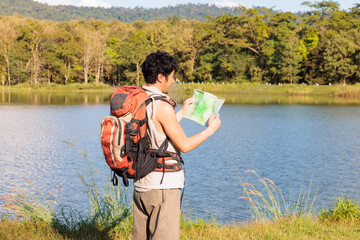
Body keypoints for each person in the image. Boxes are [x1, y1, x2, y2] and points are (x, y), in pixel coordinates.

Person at [132, 50, 221, 240]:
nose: (173, 81)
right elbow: (185, 145)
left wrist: (180, 113)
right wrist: (211, 129)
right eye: (171, 77)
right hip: (163, 187)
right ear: (160, 77)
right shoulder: (163, 106)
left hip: (141, 184)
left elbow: (157, 132)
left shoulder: (139, 99)